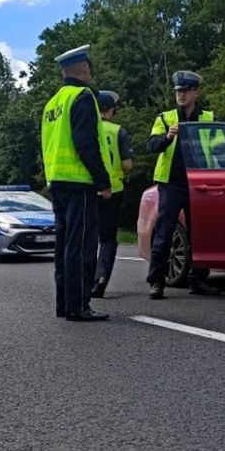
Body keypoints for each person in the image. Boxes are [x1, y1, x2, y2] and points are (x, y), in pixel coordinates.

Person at [41, 44, 113, 321]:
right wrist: (102, 181)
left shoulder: (53, 103)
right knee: (81, 245)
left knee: (64, 247)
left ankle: (64, 303)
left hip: (57, 181)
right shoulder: (82, 96)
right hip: (79, 182)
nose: (90, 70)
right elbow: (86, 144)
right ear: (82, 68)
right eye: (89, 66)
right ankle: (78, 305)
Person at [146, 70, 222, 300]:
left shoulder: (209, 118)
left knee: (199, 233)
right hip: (171, 183)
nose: (181, 95)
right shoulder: (165, 118)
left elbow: (221, 150)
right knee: (164, 233)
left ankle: (198, 280)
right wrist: (168, 137)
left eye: (185, 91)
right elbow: (151, 146)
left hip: (199, 183)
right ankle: (157, 282)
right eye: (178, 91)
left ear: (195, 92)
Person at [91, 90, 133, 299]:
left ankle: (85, 279)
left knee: (88, 236)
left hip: (88, 191)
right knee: (107, 239)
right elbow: (127, 164)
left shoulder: (87, 127)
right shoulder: (118, 132)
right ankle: (101, 278)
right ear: (111, 111)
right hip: (113, 191)